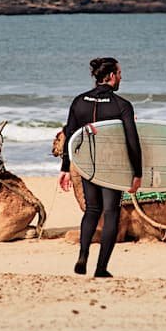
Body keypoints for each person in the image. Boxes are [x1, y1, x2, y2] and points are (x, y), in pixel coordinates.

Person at [59, 58, 142, 278]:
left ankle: (83, 255)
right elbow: (132, 141)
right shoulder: (122, 105)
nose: (121, 77)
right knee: (111, 212)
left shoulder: (78, 102)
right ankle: (101, 267)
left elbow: (70, 136)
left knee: (92, 210)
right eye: (120, 72)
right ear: (112, 76)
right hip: (112, 166)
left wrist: (65, 168)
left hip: (88, 165)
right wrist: (138, 172)